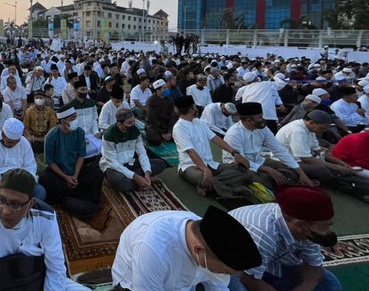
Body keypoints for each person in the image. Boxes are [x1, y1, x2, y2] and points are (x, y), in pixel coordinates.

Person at [0, 169, 88, 291]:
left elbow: (55, 268)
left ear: (31, 204)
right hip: (2, 285)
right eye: (2, 200)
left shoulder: (46, 218)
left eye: (15, 205)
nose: (5, 211)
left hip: (40, 280)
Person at [112, 205, 262, 291]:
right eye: (223, 271)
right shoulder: (153, 248)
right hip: (132, 286)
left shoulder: (210, 244)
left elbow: (217, 285)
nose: (224, 275)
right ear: (198, 250)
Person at [229, 186, 342, 291]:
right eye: (326, 227)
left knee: (330, 283)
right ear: (299, 225)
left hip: (269, 264)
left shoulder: (307, 230)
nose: (329, 231)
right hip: (232, 268)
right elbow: (248, 279)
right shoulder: (263, 231)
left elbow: (314, 266)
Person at [172, 96, 258, 201]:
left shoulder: (198, 122)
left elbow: (215, 138)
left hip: (210, 164)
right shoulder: (179, 128)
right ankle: (233, 190)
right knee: (202, 177)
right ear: (191, 110)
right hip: (190, 166)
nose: (196, 108)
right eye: (194, 106)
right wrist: (205, 169)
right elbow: (191, 151)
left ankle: (206, 185)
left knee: (243, 171)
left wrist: (235, 153)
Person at [223, 102, 315, 190]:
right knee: (270, 178)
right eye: (260, 117)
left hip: (259, 160)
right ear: (249, 120)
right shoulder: (234, 134)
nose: (263, 119)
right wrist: (268, 170)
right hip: (238, 165)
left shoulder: (262, 129)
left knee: (291, 170)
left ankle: (295, 182)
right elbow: (241, 161)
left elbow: (278, 149)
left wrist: (301, 173)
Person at [40, 106, 103, 217]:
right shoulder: (51, 136)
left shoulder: (80, 132)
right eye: (73, 118)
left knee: (97, 174)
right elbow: (50, 162)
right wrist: (65, 177)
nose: (76, 120)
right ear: (64, 122)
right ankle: (77, 196)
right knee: (45, 178)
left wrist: (75, 175)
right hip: (58, 173)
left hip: (75, 169)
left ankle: (71, 197)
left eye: (76, 117)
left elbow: (80, 156)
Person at [0, 118, 46, 206]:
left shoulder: (24, 143)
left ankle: (0, 204)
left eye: (16, 142)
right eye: (10, 142)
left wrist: (21, 184)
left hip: (19, 181)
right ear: (3, 134)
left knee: (40, 192)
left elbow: (30, 166)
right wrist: (4, 186)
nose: (13, 145)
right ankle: (19, 204)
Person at [99, 108, 165, 192]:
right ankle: (117, 179)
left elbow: (142, 153)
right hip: (113, 167)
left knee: (160, 164)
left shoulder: (135, 131)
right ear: (120, 123)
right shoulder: (109, 135)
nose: (133, 124)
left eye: (134, 121)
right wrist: (135, 177)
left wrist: (147, 173)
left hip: (130, 163)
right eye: (130, 123)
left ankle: (141, 179)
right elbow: (112, 162)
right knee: (123, 184)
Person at [66, 78, 102, 158]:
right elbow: (70, 126)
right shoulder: (70, 107)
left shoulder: (91, 103)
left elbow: (94, 120)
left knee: (101, 148)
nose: (85, 92)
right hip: (77, 136)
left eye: (86, 89)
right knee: (79, 152)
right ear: (75, 91)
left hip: (91, 134)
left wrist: (96, 132)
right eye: (82, 89)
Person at [144, 79, 176, 145]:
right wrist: (162, 133)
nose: (167, 89)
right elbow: (152, 118)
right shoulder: (151, 101)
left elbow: (172, 116)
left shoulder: (170, 100)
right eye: (164, 88)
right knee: (154, 137)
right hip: (155, 126)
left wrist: (169, 131)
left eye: (166, 87)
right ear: (158, 90)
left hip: (167, 125)